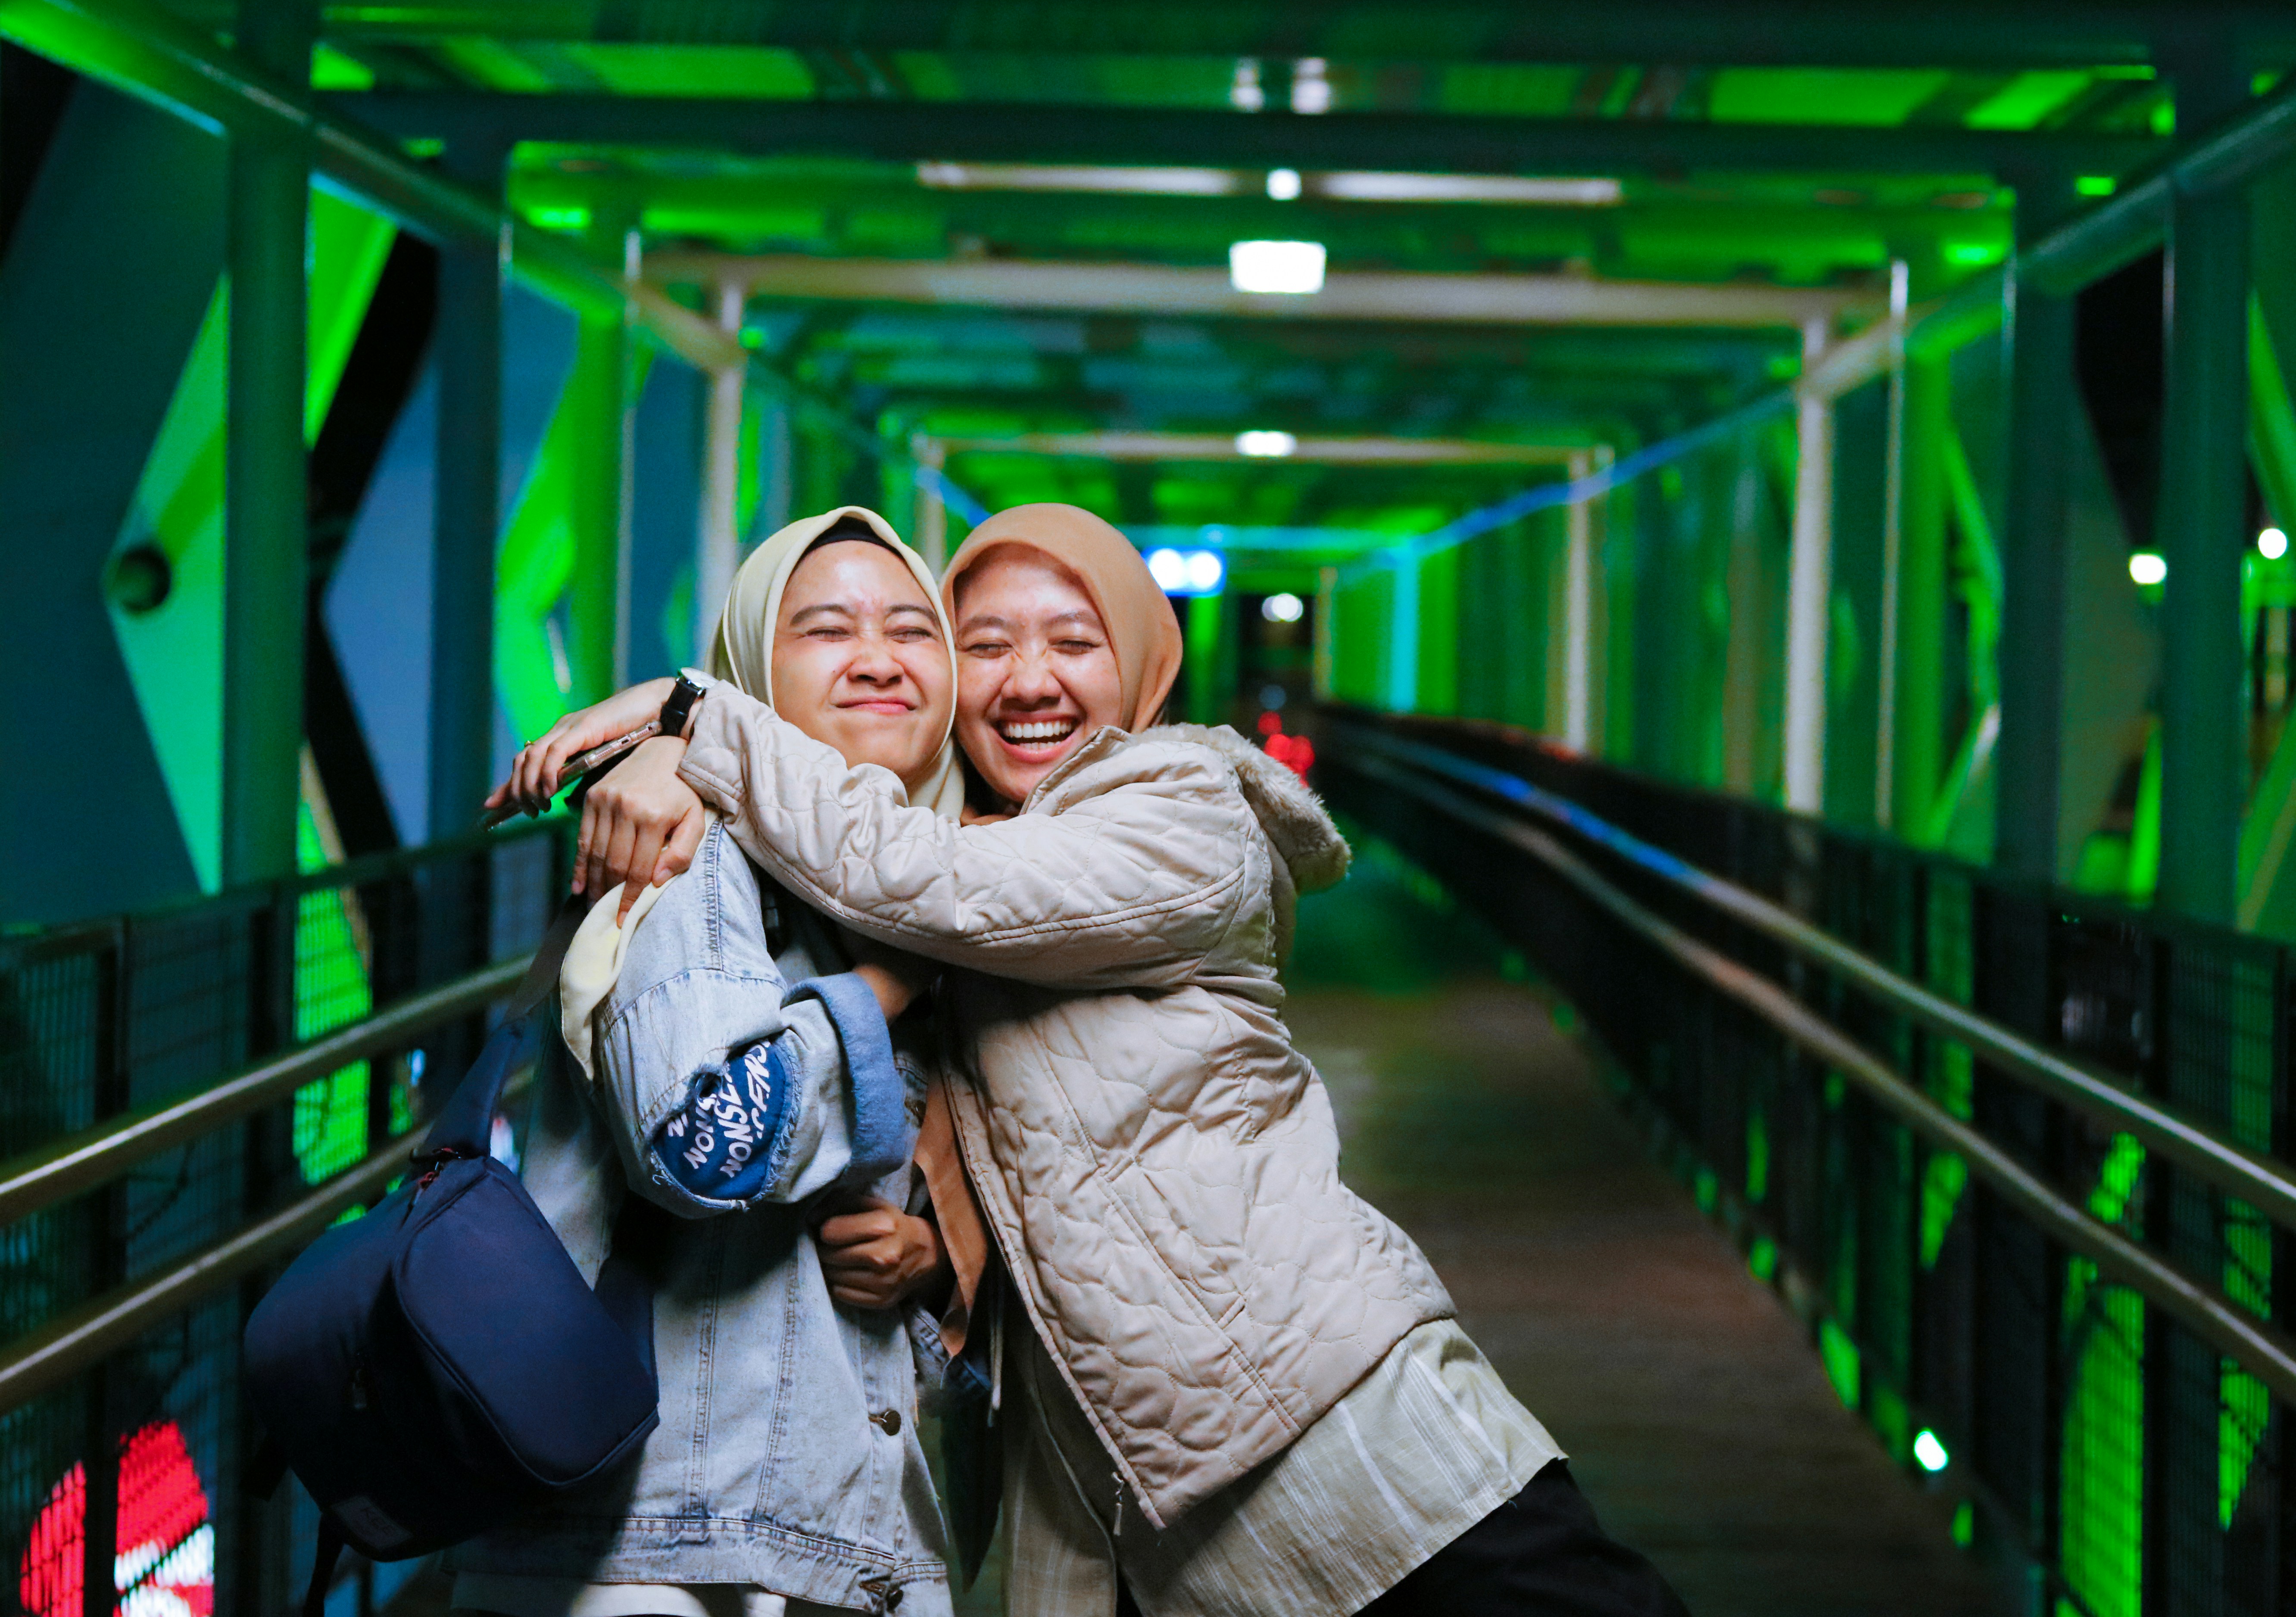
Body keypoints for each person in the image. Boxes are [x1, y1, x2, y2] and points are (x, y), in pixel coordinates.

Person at [498, 504, 1689, 1617]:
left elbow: (930, 884)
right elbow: (1004, 1141)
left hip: (1319, 1406)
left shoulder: (1176, 810)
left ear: (1142, 668)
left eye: (1074, 642)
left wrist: (692, 718)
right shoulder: (931, 845)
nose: (1029, 680)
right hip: (1115, 1478)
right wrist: (940, 1257)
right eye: (986, 645)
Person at [454, 508, 987, 1617]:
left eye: (911, 629)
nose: (878, 658)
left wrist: (927, 1260)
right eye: (826, 629)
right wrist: (885, 986)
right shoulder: (693, 849)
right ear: (750, 675)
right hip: (653, 1547)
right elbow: (708, 1142)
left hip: (815, 1521)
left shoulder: (922, 881)